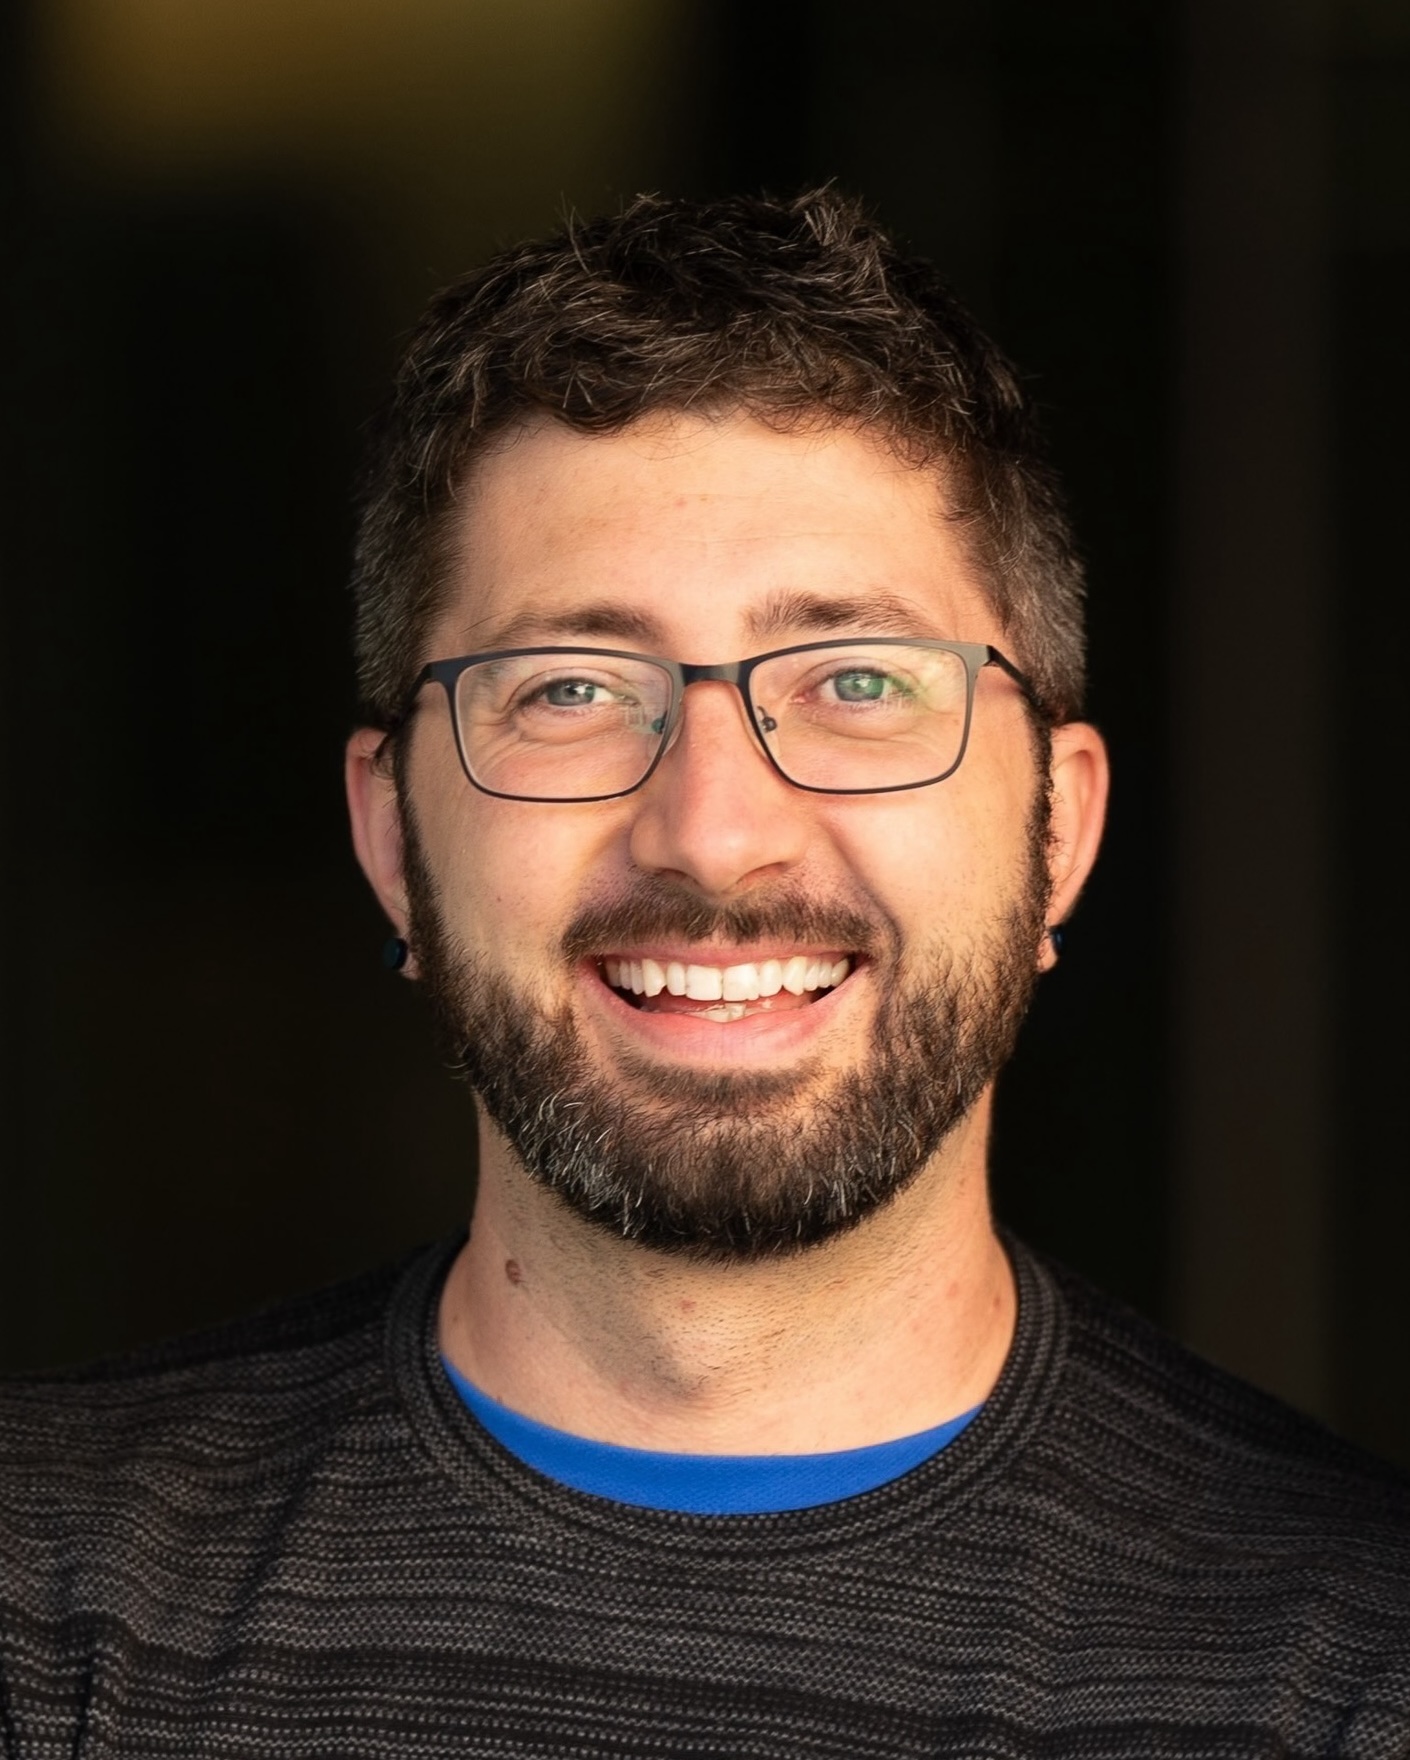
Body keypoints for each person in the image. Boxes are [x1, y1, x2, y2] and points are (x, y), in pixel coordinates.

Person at [3, 189, 1407, 1759]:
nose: (715, 834)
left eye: (856, 679)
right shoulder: (44, 1605)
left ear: (1057, 830)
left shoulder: (1351, 1665)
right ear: (393, 838)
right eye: (570, 689)